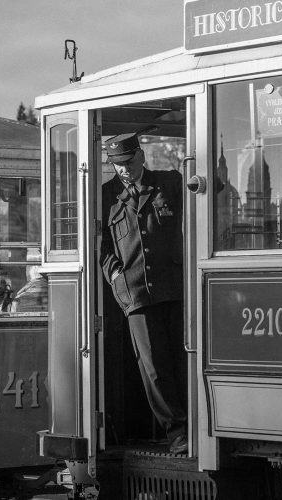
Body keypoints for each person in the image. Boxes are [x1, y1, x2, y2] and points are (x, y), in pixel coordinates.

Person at [99, 132, 188, 454]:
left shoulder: (170, 182)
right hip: (135, 293)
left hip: (176, 287)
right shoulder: (106, 195)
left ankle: (195, 423)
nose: (122, 170)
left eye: (127, 162)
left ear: (141, 156)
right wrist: (115, 275)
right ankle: (178, 434)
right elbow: (102, 247)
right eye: (116, 164)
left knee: (182, 360)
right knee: (154, 369)